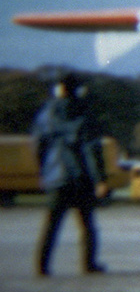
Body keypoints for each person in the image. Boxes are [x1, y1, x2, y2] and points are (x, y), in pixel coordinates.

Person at [33, 72, 109, 276]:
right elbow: (90, 149)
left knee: (51, 224)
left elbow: (39, 146)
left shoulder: (46, 113)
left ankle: (42, 266)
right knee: (87, 224)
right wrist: (100, 179)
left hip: (56, 174)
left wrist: (44, 171)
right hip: (80, 176)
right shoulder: (83, 114)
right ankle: (89, 264)